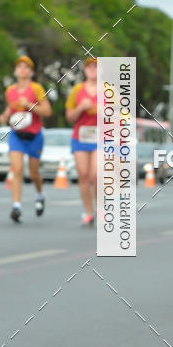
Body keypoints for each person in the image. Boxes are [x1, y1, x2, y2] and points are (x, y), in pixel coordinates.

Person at [0, 55, 51, 223]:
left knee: (34, 173)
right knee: (18, 169)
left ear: (31, 72)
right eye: (19, 66)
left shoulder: (36, 88)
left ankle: (40, 194)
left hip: (34, 135)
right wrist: (4, 116)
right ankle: (16, 207)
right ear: (15, 71)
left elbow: (47, 111)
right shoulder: (10, 90)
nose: (22, 69)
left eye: (26, 67)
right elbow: (10, 109)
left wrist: (29, 104)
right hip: (16, 135)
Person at [65, 57, 98, 226]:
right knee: (83, 175)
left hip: (102, 137)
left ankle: (101, 208)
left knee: (96, 175)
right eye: (89, 67)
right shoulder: (77, 90)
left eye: (96, 67)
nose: (92, 70)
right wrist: (80, 108)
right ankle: (88, 212)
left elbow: (122, 114)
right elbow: (69, 117)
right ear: (85, 70)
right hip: (81, 137)